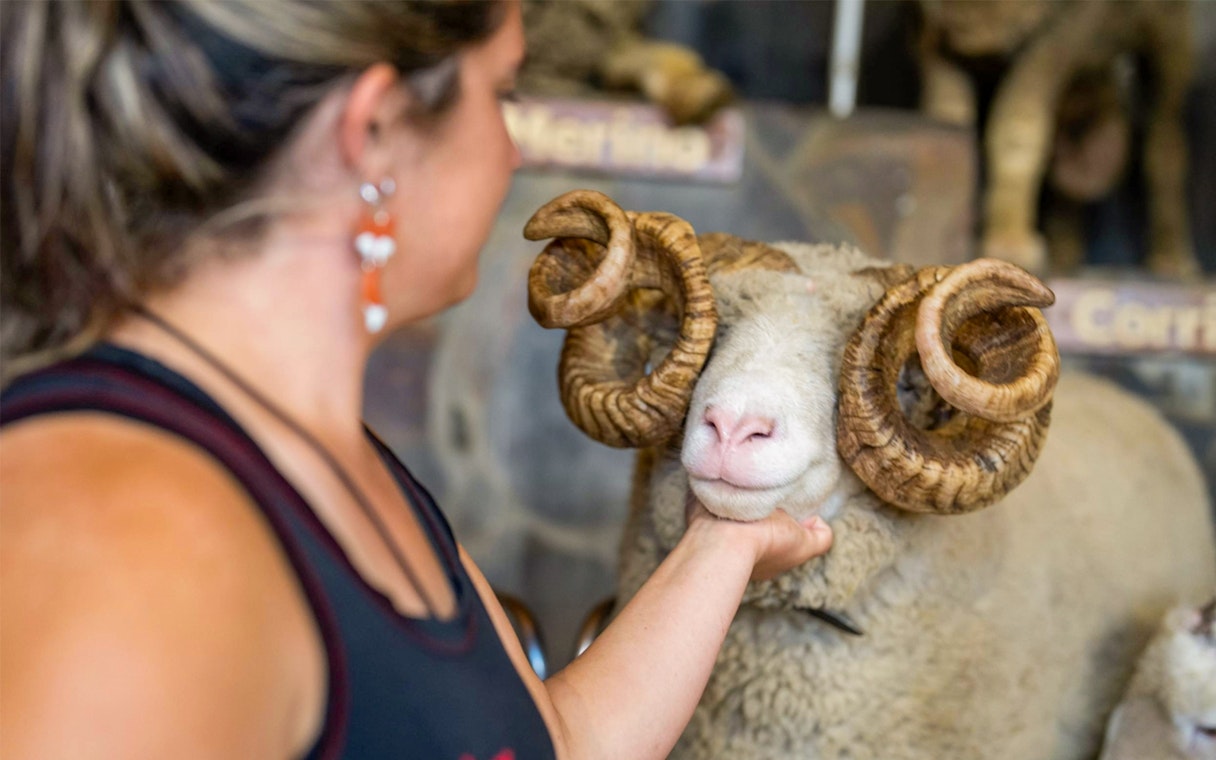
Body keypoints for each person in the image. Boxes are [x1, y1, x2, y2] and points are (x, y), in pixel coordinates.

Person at [0, 1, 834, 757]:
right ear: (375, 133)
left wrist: (723, 546)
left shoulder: (324, 454)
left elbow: (557, 746)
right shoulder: (132, 533)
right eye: (502, 93)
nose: (512, 149)